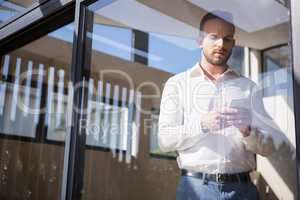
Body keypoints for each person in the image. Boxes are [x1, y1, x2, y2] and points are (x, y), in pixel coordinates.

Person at [158, 11, 277, 200]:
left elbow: (269, 148)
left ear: (233, 44)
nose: (221, 44)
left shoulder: (248, 88)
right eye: (213, 37)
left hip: (243, 190)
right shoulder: (178, 84)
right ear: (199, 40)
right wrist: (202, 125)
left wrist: (247, 131)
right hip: (195, 190)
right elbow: (165, 140)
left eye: (227, 39)